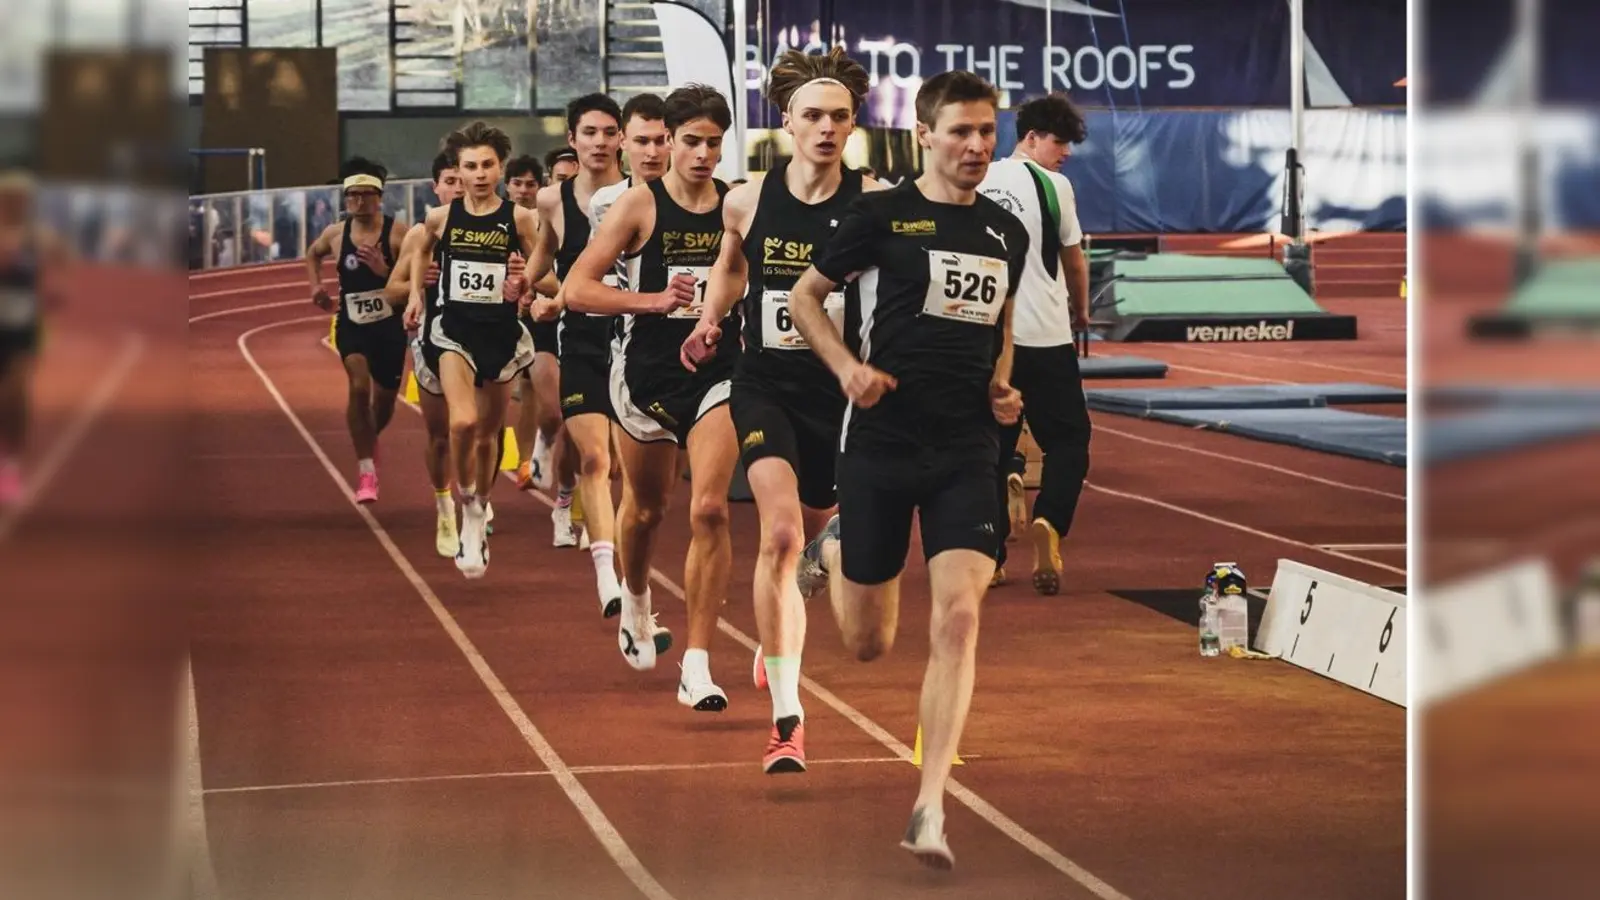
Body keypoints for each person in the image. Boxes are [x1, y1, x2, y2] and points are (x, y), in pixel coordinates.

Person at [786, 70, 1027, 869]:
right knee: (868, 643)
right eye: (960, 131)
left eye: (987, 131)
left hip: (966, 448)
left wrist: (1001, 388)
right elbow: (804, 298)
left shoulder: (1005, 231)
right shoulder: (879, 216)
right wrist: (846, 369)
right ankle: (833, 548)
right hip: (881, 441)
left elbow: (1001, 326)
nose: (977, 145)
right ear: (924, 135)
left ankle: (930, 806)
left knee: (959, 619)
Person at [680, 48, 878, 772]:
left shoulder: (874, 202)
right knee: (783, 533)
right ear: (787, 121)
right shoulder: (746, 199)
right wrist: (710, 319)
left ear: (852, 126)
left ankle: (786, 610)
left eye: (839, 118)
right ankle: (788, 718)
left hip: (839, 391)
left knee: (818, 536)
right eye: (813, 116)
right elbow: (731, 264)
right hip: (764, 383)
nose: (826, 128)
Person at [565, 84, 738, 711]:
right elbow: (577, 289)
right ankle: (636, 598)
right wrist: (654, 301)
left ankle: (697, 664)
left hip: (717, 369)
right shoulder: (639, 205)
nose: (701, 154)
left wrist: (717, 315)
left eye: (713, 143)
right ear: (669, 141)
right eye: (689, 141)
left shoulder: (737, 204)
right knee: (646, 508)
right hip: (644, 375)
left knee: (710, 509)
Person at [405, 122, 538, 579]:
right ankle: (466, 502)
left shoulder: (520, 220)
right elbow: (421, 250)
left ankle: (480, 507)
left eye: (487, 165)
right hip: (452, 331)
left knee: (488, 434)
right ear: (457, 171)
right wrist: (416, 295)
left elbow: (546, 273)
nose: (479, 174)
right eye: (470, 166)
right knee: (461, 422)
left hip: (500, 335)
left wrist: (524, 281)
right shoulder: (441, 218)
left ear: (500, 169)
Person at [976, 92, 1091, 594]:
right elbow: (1074, 260)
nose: (1065, 153)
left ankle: (990, 556)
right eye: (1059, 142)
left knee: (988, 448)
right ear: (1031, 137)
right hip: (1044, 334)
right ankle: (1050, 520)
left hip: (984, 336)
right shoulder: (1054, 186)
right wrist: (1081, 312)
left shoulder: (977, 176)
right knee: (1068, 441)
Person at [306, 157, 409, 503]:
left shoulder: (399, 234)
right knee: (359, 386)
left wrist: (384, 272)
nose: (359, 201)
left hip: (389, 328)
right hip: (352, 324)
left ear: (380, 197)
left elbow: (413, 282)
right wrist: (315, 287)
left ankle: (369, 439)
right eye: (352, 195)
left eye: (366, 195)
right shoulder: (336, 234)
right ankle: (366, 469)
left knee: (385, 402)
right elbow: (312, 254)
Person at [384, 151, 464, 555]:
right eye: (450, 181)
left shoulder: (500, 228)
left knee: (481, 430)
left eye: (463, 179)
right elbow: (391, 291)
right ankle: (445, 505)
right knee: (441, 434)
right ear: (436, 187)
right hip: (433, 343)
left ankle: (478, 499)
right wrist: (418, 285)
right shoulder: (420, 235)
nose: (458, 188)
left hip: (485, 343)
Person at [0, 169, 67, 506]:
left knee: (15, 394)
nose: (17, 204)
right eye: (11, 199)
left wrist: (54, 289)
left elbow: (63, 261)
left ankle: (10, 466)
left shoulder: (36, 237)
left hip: (23, 329)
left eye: (22, 200)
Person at [505, 154, 563, 498]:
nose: (524, 190)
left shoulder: (547, 221)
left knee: (545, 399)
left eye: (531, 184)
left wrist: (530, 284)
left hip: (544, 316)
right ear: (507, 186)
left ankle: (537, 454)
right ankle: (526, 460)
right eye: (518, 183)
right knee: (523, 392)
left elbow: (551, 277)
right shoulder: (499, 222)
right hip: (507, 317)